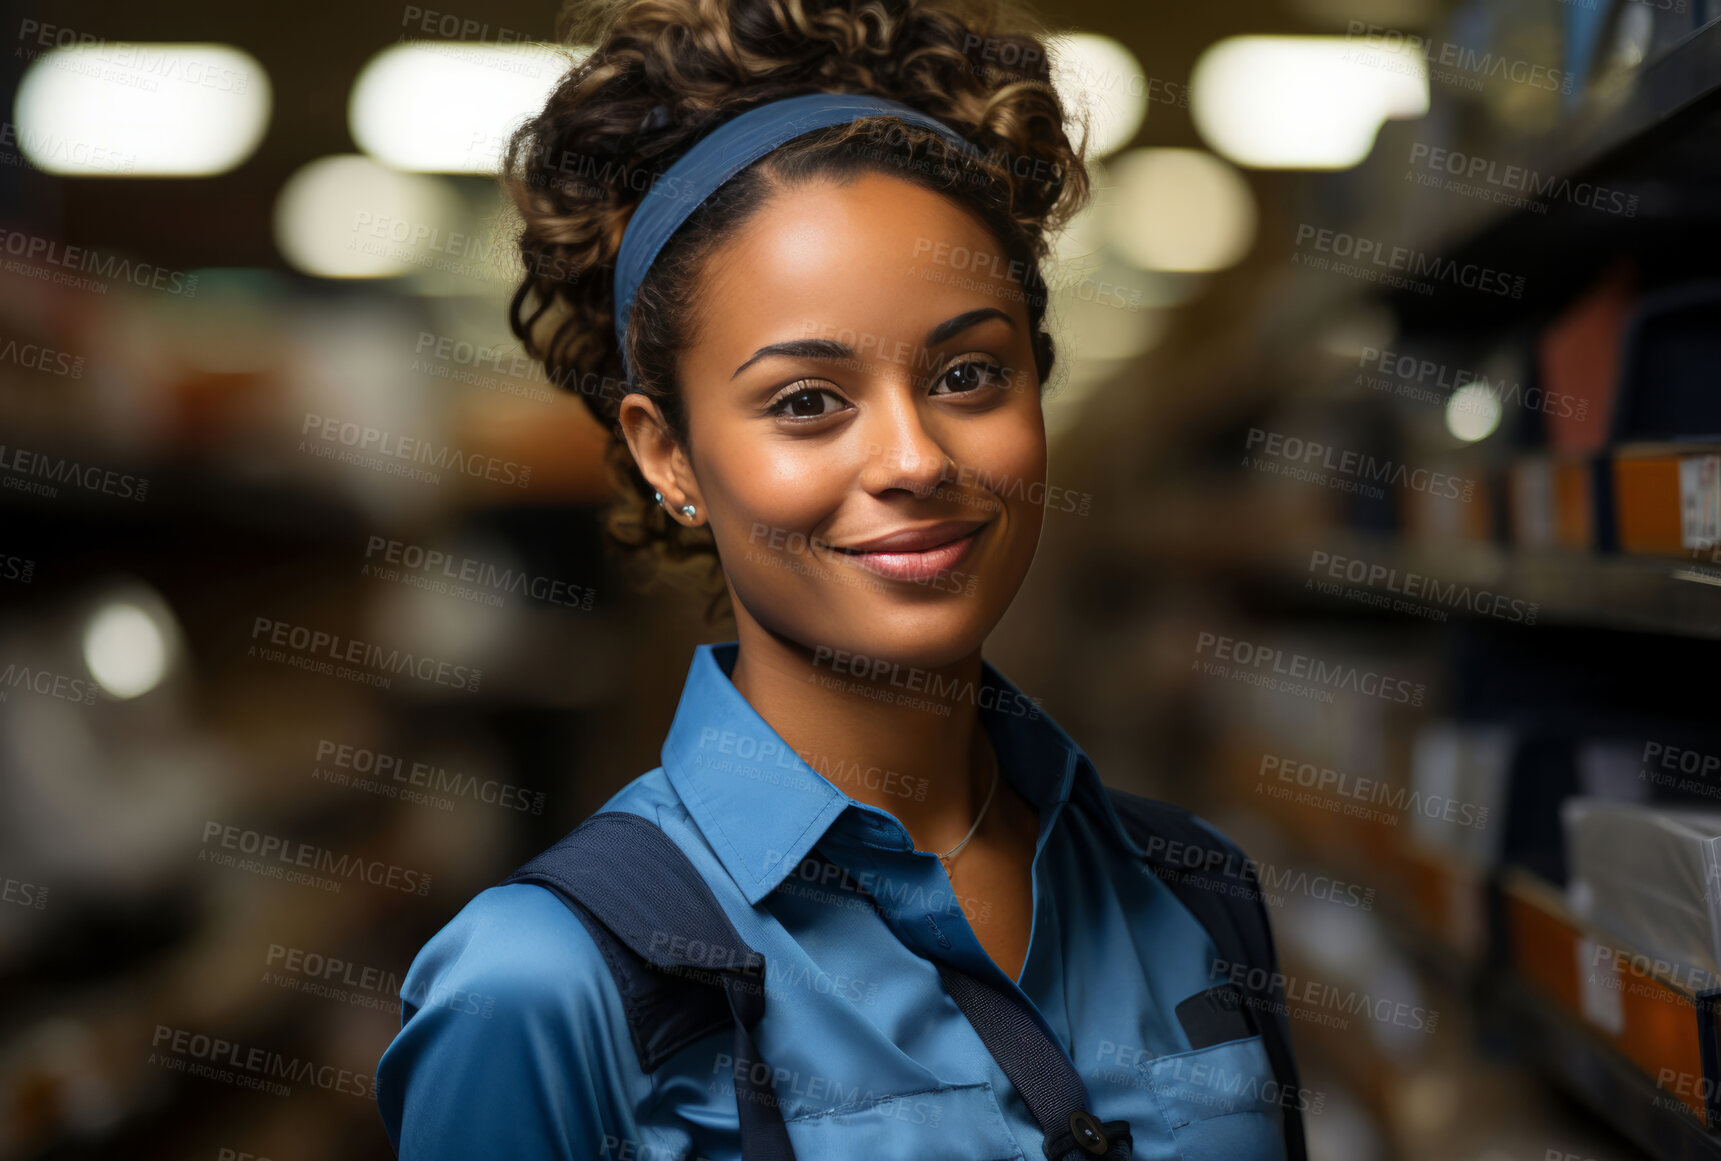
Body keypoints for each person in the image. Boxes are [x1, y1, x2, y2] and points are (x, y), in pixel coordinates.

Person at [377, 0, 1300, 1156]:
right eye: (806, 402)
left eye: (969, 374)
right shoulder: (546, 989)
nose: (914, 459)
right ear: (670, 455)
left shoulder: (1193, 892)